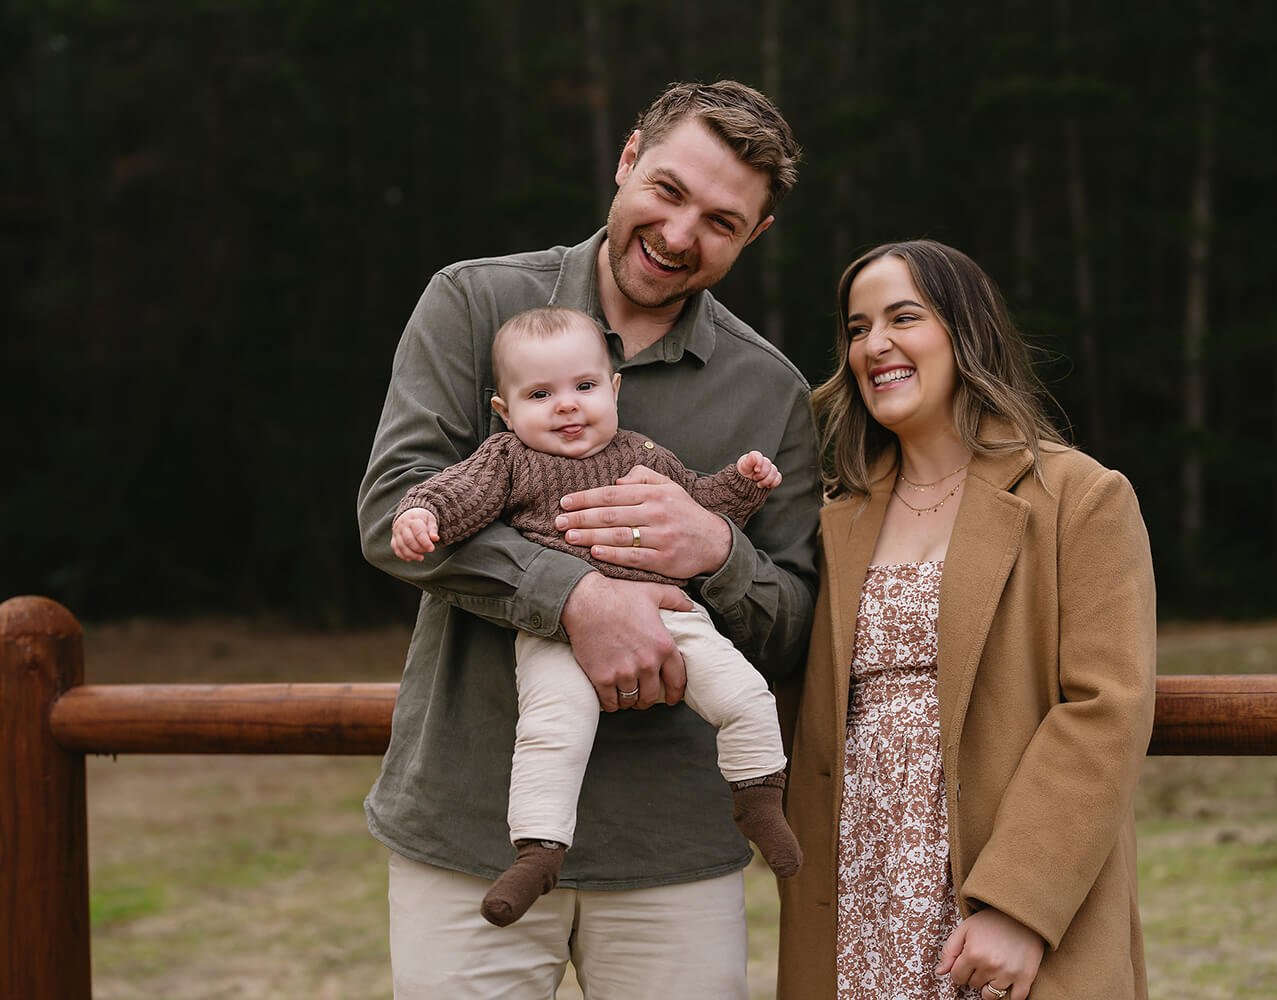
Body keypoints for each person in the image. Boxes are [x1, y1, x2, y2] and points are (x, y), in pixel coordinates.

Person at [357, 81, 818, 999]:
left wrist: (716, 553)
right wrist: (576, 596)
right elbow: (394, 512)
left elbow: (796, 622)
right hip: (471, 824)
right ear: (628, 158)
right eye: (670, 190)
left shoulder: (772, 392)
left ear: (755, 237)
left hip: (673, 847)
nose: (682, 234)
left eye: (723, 222)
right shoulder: (473, 304)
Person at [777, 240, 1156, 1000]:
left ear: (966, 332)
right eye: (856, 328)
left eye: (902, 318)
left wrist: (1019, 906)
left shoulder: (1079, 497)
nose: (874, 344)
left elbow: (1107, 709)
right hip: (857, 903)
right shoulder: (827, 523)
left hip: (998, 904)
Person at [388, 305, 802, 928]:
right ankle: (538, 849)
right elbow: (458, 494)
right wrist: (423, 514)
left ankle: (759, 797)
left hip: (669, 610)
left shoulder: (645, 456)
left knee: (746, 695)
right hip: (555, 629)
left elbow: (702, 505)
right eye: (540, 394)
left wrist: (742, 486)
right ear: (504, 410)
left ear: (614, 389)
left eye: (583, 387)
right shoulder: (509, 460)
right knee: (555, 730)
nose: (566, 406)